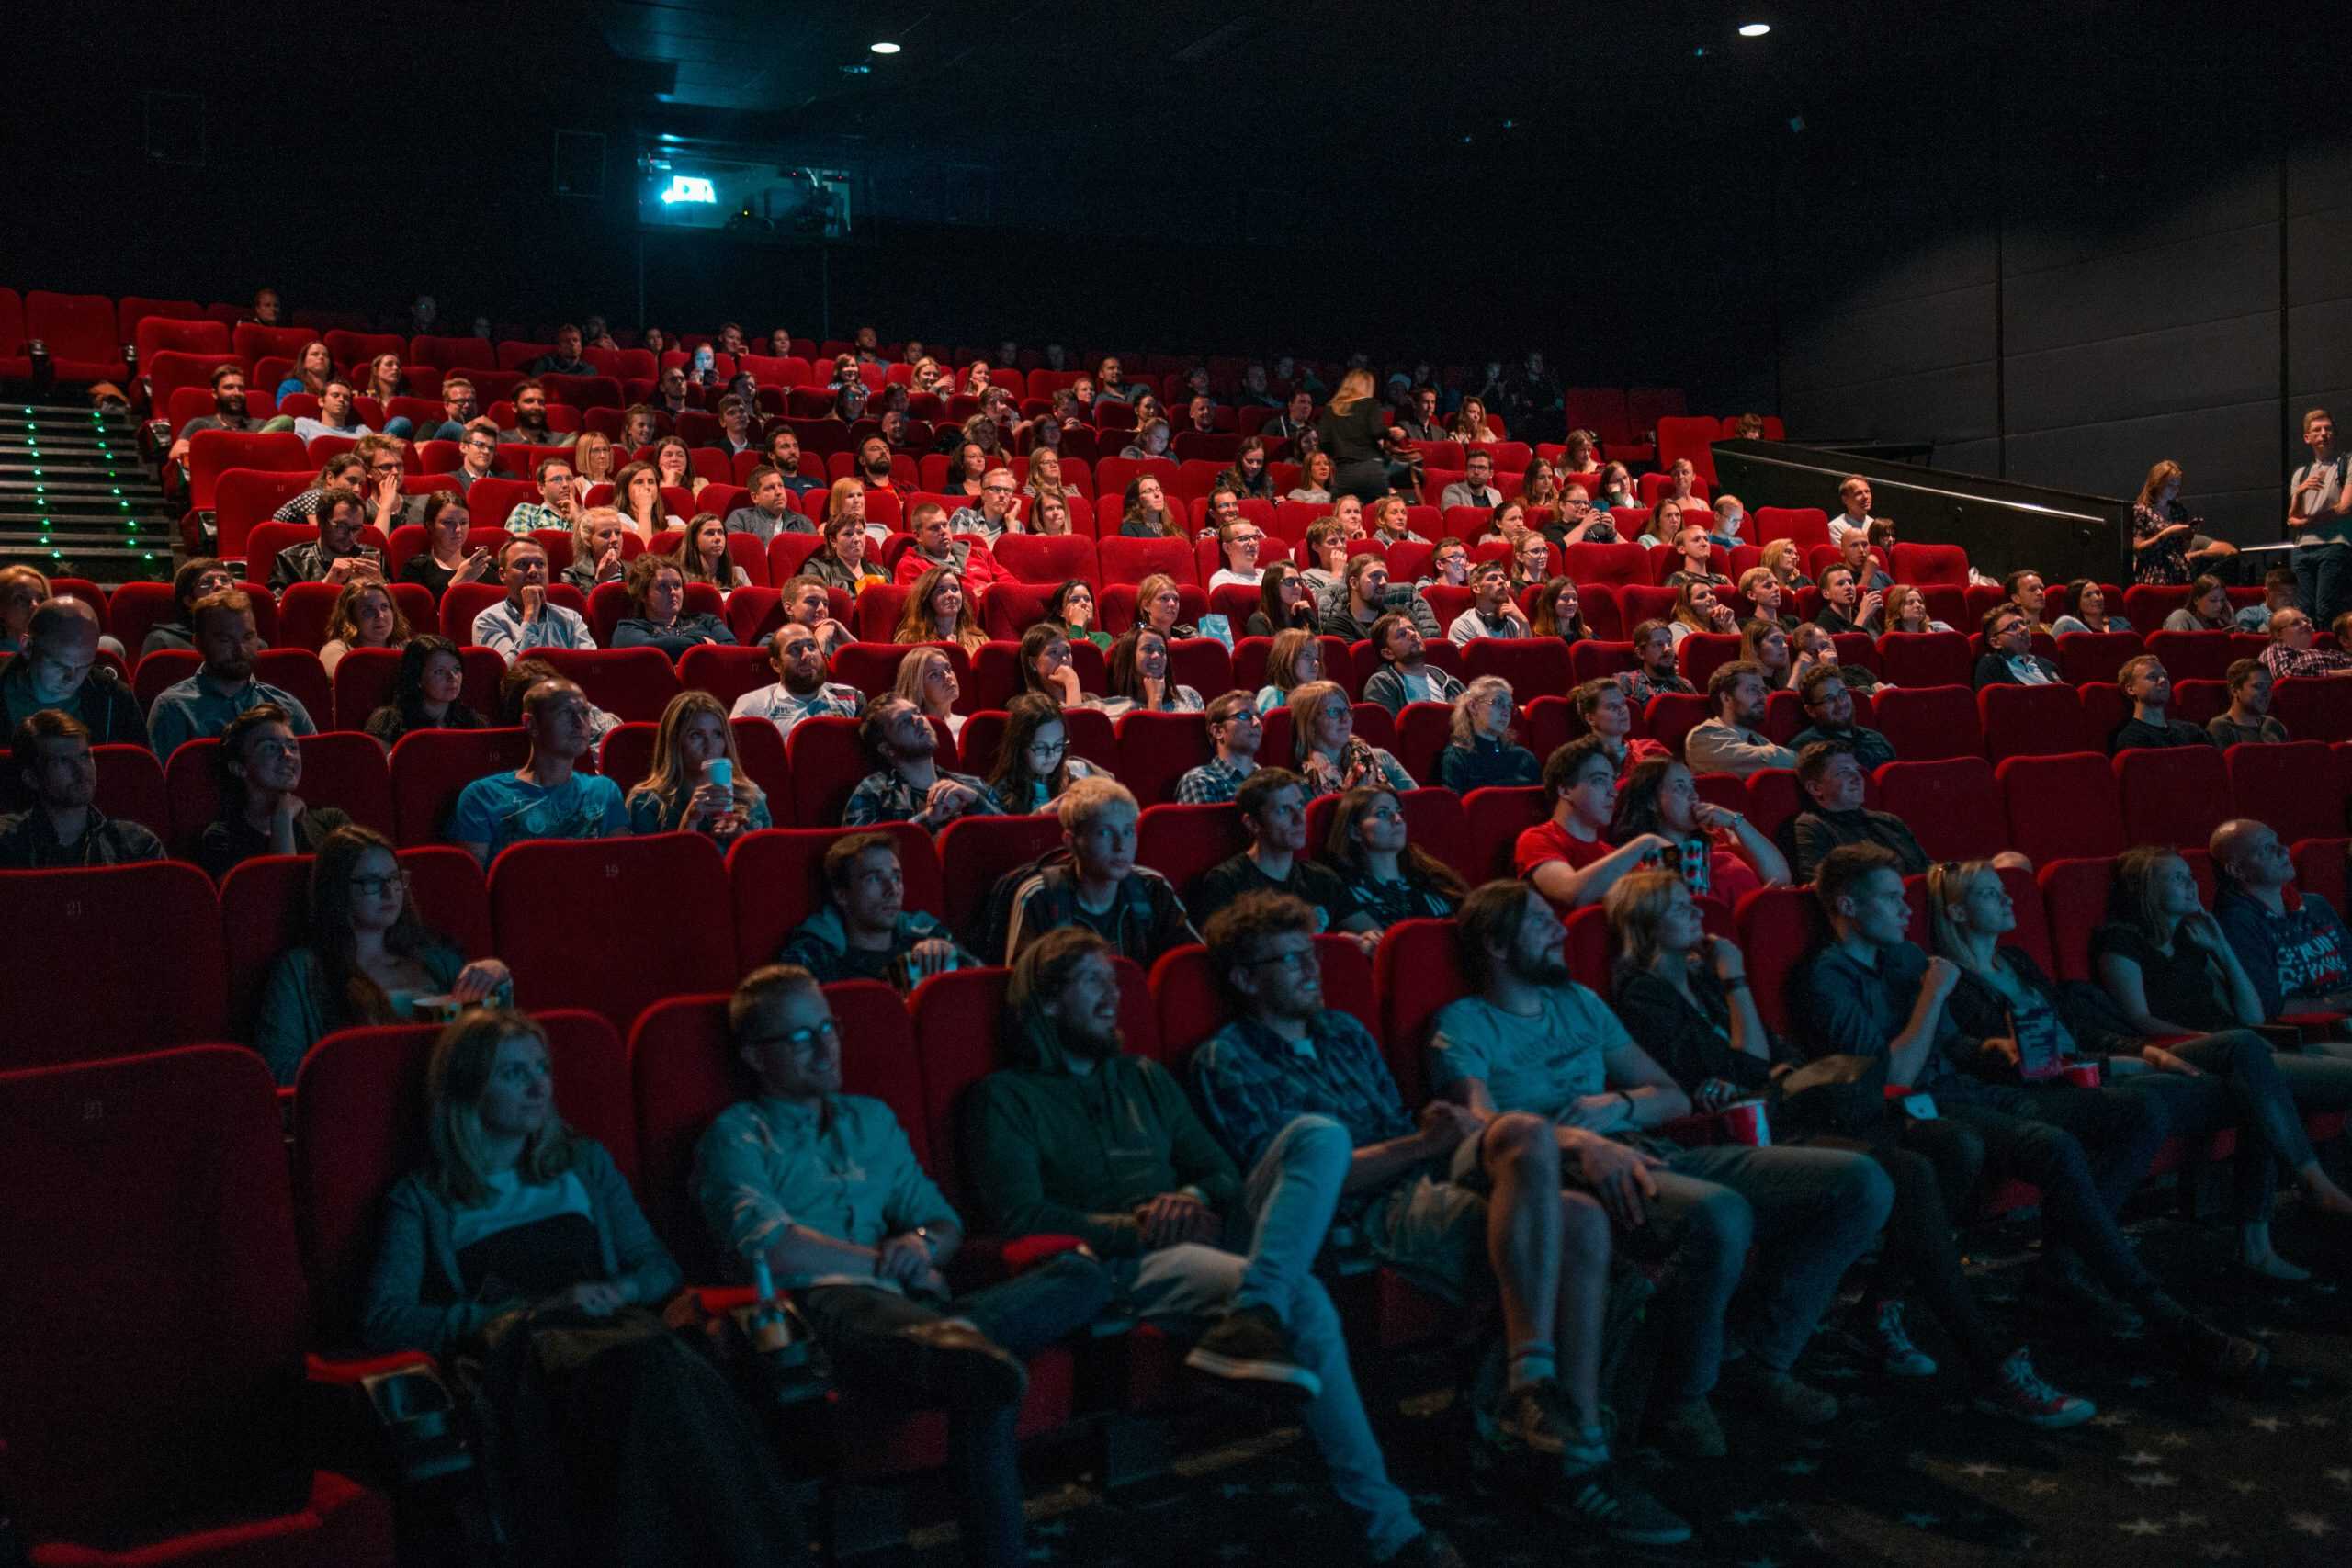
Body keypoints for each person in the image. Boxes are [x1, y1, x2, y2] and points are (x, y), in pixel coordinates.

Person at [1186, 893, 1685, 1546]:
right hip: (1364, 1209)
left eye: (1311, 954)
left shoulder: (1343, 1032)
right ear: (1246, 979)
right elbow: (1296, 1184)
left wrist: (1433, 1134)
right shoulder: (1228, 1058)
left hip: (1422, 1172)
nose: (1311, 969)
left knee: (1545, 1159)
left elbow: (1402, 1130)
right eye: (1290, 959)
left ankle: (1545, 1401)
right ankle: (1573, 1451)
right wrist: (1422, 1144)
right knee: (1573, 1215)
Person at [966, 929, 1469, 1566]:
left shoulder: (1143, 1076)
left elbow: (1223, 1174)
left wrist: (1191, 1195)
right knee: (1305, 1298)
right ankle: (1391, 1529)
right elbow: (1021, 1215)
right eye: (1092, 982)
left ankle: (1255, 1309)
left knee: (1319, 1133)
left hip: (1207, 1229)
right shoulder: (1005, 1097)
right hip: (1124, 1260)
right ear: (1045, 1002)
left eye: (1115, 982)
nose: (1113, 997)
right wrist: (1138, 1225)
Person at [1607, 872, 2095, 1427]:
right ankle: (1989, 1360)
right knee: (1909, 1173)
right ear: (1644, 925)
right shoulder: (1644, 993)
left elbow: (1773, 1056)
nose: (1698, 912)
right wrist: (1738, 984)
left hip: (1803, 1111)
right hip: (1758, 1133)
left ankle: (1880, 1308)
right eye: (1679, 908)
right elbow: (1747, 1065)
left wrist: (1765, 1058)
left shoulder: (1703, 980)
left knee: (1952, 1145)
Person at [1436, 880, 1891, 1441]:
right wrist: (1579, 1141)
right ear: (1496, 945)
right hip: (1564, 1172)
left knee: (1861, 1182)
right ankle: (1685, 1396)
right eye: (1539, 921)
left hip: (1646, 1146)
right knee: (1721, 1213)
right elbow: (1483, 1130)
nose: (1560, 931)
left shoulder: (1581, 1003)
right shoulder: (1462, 1023)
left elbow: (1671, 1097)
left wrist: (1617, 1105)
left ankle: (1759, 1356)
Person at [1795, 845, 2268, 1378]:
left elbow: (1952, 1048)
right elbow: (1895, 1075)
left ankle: (2063, 1269)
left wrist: (1996, 1049)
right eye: (1890, 899)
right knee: (2053, 1145)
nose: (1907, 910)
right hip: (1914, 1111)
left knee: (2137, 1110)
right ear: (1848, 906)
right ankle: (2164, 1313)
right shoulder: (1828, 978)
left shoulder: (1904, 958)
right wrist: (1933, 996)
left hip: (1969, 1089)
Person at [694, 965, 1111, 1568]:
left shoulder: (871, 1119)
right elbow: (770, 1248)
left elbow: (942, 1224)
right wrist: (884, 1264)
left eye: (828, 1028)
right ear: (756, 1057)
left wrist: (919, 1246)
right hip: (825, 1312)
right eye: (801, 1037)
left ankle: (960, 1340)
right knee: (973, 1369)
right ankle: (961, 1351)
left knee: (1082, 1273)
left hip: (915, 1308)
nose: (826, 1047)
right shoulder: (736, 1135)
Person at [367, 1010, 808, 1565]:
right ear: (467, 1088)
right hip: (529, 1354)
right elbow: (386, 1318)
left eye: (542, 1069)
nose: (538, 1087)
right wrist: (519, 1311)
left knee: (667, 1372)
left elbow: (657, 1267)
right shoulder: (423, 1198)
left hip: (617, 1331)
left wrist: (619, 1290)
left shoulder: (582, 1163)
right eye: (514, 1074)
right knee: (659, 1375)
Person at [1956, 850, 2350, 1285]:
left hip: (2222, 1053)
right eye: (2176, 878)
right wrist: (2157, 1053)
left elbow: (2247, 1012)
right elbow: (2133, 1022)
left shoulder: (2188, 939)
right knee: (2248, 1061)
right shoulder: (2115, 943)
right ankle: (2302, 1195)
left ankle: (2261, 1242)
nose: (2192, 884)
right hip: (2165, 1055)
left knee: (2253, 1080)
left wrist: (2220, 948)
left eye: (2189, 875)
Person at [251, 825, 511, 1081]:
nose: (389, 892)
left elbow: (497, 1044)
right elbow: (280, 1070)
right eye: (372, 882)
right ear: (337, 890)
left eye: (394, 878)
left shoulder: (437, 959)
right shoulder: (301, 970)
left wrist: (497, 979)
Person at [1002, 778, 1197, 965]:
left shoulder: (1153, 888)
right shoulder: (1040, 896)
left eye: (1128, 832)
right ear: (1071, 842)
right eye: (1104, 833)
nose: (1120, 846)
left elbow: (1189, 963)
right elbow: (1024, 983)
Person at [1188, 768, 1379, 950]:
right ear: (1252, 824)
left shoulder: (1321, 878)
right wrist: (1333, 944)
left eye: (1300, 806)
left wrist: (1366, 942)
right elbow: (1226, 956)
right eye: (1283, 810)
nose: (1299, 819)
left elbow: (1373, 934)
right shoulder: (1227, 882)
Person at [451, 678, 628, 864]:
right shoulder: (483, 796)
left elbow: (621, 869)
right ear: (531, 724)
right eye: (565, 712)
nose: (580, 723)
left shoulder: (604, 791)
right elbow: (473, 878)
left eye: (584, 713)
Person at [776, 834, 974, 987]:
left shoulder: (927, 935)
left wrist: (952, 955)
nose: (892, 890)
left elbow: (978, 985)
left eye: (896, 877)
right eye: (874, 878)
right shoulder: (815, 957)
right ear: (842, 895)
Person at [147, 591, 316, 758]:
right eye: (225, 640)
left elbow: (316, 768)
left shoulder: (286, 706)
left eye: (247, 637)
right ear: (198, 644)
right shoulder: (173, 708)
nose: (240, 650)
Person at [1515, 738, 1679, 908]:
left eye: (1612, 781)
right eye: (1599, 780)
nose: (1613, 792)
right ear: (1565, 790)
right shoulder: (1537, 839)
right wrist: (1645, 843)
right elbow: (1571, 893)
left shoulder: (1611, 854)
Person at [192, 704, 349, 878]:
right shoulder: (221, 838)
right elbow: (279, 889)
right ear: (239, 768)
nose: (288, 754)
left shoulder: (330, 822)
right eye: (270, 747)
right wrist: (282, 819)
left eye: (293, 746)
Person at [1610, 757, 1789, 905]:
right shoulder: (1641, 861)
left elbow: (1781, 878)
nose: (1694, 795)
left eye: (1692, 785)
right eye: (1680, 787)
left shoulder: (1720, 838)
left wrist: (1736, 821)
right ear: (1651, 802)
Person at [0, 709, 164, 867]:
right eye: (63, 761)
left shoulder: (136, 846)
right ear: (32, 778)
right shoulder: (7, 843)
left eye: (85, 756)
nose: (81, 770)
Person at [1789, 742, 1948, 882]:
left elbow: (1928, 870)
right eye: (1843, 772)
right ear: (1815, 788)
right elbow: (1823, 886)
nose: (1857, 777)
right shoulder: (1813, 825)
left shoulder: (1889, 821)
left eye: (1856, 770)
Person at [623, 691, 771, 840]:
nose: (710, 745)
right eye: (696, 735)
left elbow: (765, 855)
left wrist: (740, 835)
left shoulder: (750, 797)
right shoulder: (647, 803)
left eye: (717, 734)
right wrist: (689, 821)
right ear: (675, 743)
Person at [843, 697, 1001, 831]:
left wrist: (976, 802)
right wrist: (927, 819)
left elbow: (1011, 837)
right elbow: (861, 851)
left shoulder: (973, 786)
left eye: (917, 712)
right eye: (904, 721)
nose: (918, 720)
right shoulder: (873, 792)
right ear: (887, 749)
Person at [1326, 785, 1466, 927]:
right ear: (1355, 832)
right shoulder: (1347, 893)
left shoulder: (1430, 877)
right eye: (1382, 813)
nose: (1398, 819)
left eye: (1398, 812)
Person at [471, 537, 595, 659]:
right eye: (522, 564)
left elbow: (589, 666)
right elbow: (510, 669)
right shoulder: (488, 621)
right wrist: (531, 613)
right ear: (503, 575)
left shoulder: (571, 618)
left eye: (540, 564)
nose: (533, 571)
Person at [1287, 680, 1413, 796]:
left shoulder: (1381, 758)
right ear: (1310, 721)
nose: (1345, 719)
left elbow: (1415, 806)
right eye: (1334, 712)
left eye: (1347, 711)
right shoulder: (1301, 782)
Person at [985, 692, 1104, 814]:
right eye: (1041, 748)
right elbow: (1012, 826)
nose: (1051, 755)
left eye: (1058, 745)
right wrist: (1044, 812)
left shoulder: (1067, 778)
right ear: (1020, 746)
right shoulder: (1002, 792)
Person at [2289, 407, 2352, 626]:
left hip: (2335, 545)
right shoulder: (2301, 473)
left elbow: (2345, 508)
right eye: (2317, 430)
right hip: (2303, 549)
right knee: (2304, 611)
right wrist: (2300, 492)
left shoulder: (2347, 463)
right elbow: (2292, 518)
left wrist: (2307, 521)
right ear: (2307, 438)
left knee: (2327, 609)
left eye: (2328, 429)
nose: (2323, 434)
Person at [1683, 661, 1796, 778]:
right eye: (1753, 690)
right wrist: (1806, 761)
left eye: (1763, 690)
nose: (1763, 697)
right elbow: (1770, 760)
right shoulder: (1703, 737)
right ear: (1726, 698)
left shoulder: (1756, 738)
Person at [365, 636, 484, 746]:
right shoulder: (388, 722)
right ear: (417, 677)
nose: (453, 677)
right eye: (439, 671)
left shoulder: (472, 722)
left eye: (456, 669)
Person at [611, 553, 732, 657]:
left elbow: (732, 649)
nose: (673, 592)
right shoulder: (628, 629)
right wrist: (702, 643)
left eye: (677, 585)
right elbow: (650, 649)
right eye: (662, 586)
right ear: (643, 594)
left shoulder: (707, 621)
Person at [1434, 676, 1540, 791]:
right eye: (1498, 702)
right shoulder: (1457, 758)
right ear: (1473, 706)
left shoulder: (1524, 757)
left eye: (1509, 706)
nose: (1506, 712)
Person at [269, 489, 384, 591]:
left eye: (356, 529)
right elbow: (278, 605)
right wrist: (326, 585)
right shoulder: (289, 560)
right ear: (321, 522)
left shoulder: (372, 558)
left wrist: (381, 585)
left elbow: (392, 604)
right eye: (341, 527)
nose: (350, 537)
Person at [1784, 665, 1894, 771]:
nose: (1840, 704)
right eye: (1829, 699)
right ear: (1811, 710)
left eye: (1843, 693)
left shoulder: (1876, 739)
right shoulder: (1806, 748)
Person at [1361, 613, 1464, 716]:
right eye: (1401, 634)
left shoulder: (1448, 681)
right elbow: (1386, 726)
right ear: (1388, 653)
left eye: (1413, 629)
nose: (1412, 635)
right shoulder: (1383, 684)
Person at [2105, 654, 2213, 752]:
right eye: (2152, 677)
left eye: (2165, 676)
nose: (2163, 680)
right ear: (2131, 689)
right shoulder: (2131, 738)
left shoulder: (2192, 731)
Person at [1174, 691, 1266, 806]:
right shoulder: (1200, 781)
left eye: (1259, 717)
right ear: (1218, 731)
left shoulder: (1270, 780)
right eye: (1243, 716)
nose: (1257, 723)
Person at [1315, 370, 1392, 503]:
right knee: (1380, 512)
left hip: (1345, 470)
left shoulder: (1331, 409)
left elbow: (1323, 442)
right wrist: (1390, 432)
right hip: (1372, 469)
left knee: (1339, 511)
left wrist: (1339, 453)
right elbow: (1377, 431)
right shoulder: (1370, 404)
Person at [400, 494, 492, 601]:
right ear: (431, 525)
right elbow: (418, 611)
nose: (458, 529)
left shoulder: (485, 567)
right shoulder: (416, 570)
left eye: (463, 522)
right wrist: (458, 581)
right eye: (448, 522)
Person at [897, 503, 1003, 592]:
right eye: (934, 528)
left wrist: (995, 590)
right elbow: (916, 604)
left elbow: (1009, 585)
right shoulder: (910, 566)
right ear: (918, 536)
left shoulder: (980, 554)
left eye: (945, 524)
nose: (943, 531)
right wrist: (970, 597)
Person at [1098, 628, 1203, 718]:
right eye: (1148, 649)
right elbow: (1154, 736)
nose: (1157, 655)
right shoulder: (1113, 710)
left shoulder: (1189, 696)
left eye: (1162, 650)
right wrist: (1155, 700)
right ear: (1130, 657)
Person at [318, 578, 411, 677]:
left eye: (384, 606)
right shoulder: (336, 650)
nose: (380, 615)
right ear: (351, 618)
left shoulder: (407, 647)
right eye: (368, 610)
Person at [2129, 459, 2200, 585]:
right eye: (2170, 485)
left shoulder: (2178, 510)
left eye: (2177, 486)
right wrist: (2167, 533)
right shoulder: (2141, 510)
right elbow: (2138, 550)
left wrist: (2188, 535)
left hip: (2179, 570)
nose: (2175, 490)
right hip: (2154, 571)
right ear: (2156, 483)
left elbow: (2184, 548)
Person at [2257, 604, 2352, 680]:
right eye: (2295, 623)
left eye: (2307, 620)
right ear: (2279, 634)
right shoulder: (2274, 650)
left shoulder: (2327, 652)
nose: (2305, 624)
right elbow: (2287, 676)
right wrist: (2340, 674)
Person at [724, 464, 811, 545]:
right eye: (770, 488)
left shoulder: (803, 523)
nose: (779, 492)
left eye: (780, 485)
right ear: (755, 497)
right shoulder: (740, 518)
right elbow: (737, 552)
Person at [2209, 659, 2289, 745]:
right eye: (2258, 686)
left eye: (2269, 687)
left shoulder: (2274, 725)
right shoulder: (2221, 728)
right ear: (2235, 690)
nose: (2266, 693)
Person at [1447, 560, 1530, 645]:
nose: (1502, 581)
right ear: (1476, 589)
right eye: (1493, 578)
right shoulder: (1464, 625)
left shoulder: (1513, 621)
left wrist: (1524, 622)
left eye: (1503, 578)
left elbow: (1526, 653)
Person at [1972, 608, 2060, 687]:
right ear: (1996, 642)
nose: (2023, 629)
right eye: (2013, 627)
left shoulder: (2047, 664)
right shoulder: (1991, 666)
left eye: (2023, 623)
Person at [504, 457, 587, 537]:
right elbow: (520, 545)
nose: (565, 484)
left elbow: (591, 545)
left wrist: (577, 518)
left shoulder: (588, 515)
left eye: (569, 479)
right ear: (541, 488)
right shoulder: (526, 511)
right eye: (557, 479)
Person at [1248, 564, 1320, 639]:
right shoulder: (1258, 621)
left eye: (1299, 582)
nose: (1297, 586)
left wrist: (1309, 614)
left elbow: (1317, 644)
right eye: (1289, 581)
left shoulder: (1303, 617)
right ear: (1274, 586)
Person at [2051, 579, 2131, 636]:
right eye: (2088, 595)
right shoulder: (2072, 628)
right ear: (2076, 602)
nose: (2097, 598)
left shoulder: (2121, 622)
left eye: (2098, 593)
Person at [2233, 567, 2300, 634]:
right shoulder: (2250, 613)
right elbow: (2242, 637)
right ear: (2266, 593)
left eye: (2293, 594)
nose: (2289, 599)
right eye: (2282, 594)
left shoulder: (2299, 617)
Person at [2161, 574, 2235, 634]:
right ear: (2196, 600)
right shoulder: (2181, 616)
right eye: (2213, 600)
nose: (2219, 606)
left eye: (2222, 600)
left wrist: (2232, 623)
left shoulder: (2220, 624)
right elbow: (2177, 645)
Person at [1208, 517, 1267, 591]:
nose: (1253, 543)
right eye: (1244, 538)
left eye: (1255, 538)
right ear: (1227, 548)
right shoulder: (1222, 580)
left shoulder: (1267, 576)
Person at [1439, 452, 1503, 513]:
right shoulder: (1452, 491)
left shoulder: (1496, 495)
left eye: (1481, 467)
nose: (1476, 472)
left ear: (1491, 473)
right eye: (1472, 467)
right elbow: (1454, 517)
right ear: (1466, 471)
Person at [1881, 583, 1951, 637]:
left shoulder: (1941, 629)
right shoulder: (1893, 639)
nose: (1918, 605)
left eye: (1920, 602)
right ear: (1897, 609)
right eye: (1910, 603)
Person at [1828, 476, 1879, 547]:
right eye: (1859, 493)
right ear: (1844, 499)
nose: (1865, 497)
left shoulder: (1874, 524)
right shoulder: (1836, 527)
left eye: (1867, 491)